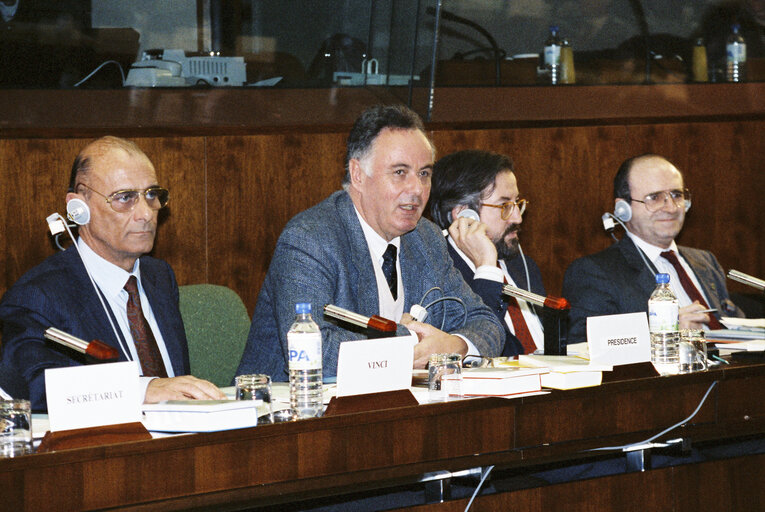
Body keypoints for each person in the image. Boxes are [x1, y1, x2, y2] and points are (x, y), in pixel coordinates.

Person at [236, 105, 504, 380]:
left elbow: (487, 323)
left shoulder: (426, 238)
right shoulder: (309, 240)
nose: (416, 189)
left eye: (424, 174)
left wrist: (455, 346)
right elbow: (315, 351)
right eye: (400, 172)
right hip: (290, 412)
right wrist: (410, 339)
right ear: (358, 175)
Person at [0, 136, 225, 412]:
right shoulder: (38, 295)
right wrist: (143, 388)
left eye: (151, 195)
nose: (145, 213)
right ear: (78, 208)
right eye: (125, 198)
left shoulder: (159, 277)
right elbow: (33, 387)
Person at [562, 154, 744, 342]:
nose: (671, 208)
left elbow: (737, 328)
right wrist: (667, 332)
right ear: (623, 208)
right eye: (655, 197)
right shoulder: (594, 272)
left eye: (676, 195)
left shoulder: (705, 261)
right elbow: (584, 342)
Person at [429, 150, 546, 357]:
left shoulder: (523, 266)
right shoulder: (438, 275)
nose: (517, 218)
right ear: (464, 215)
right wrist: (486, 267)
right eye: (505, 206)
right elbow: (485, 344)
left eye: (517, 203)